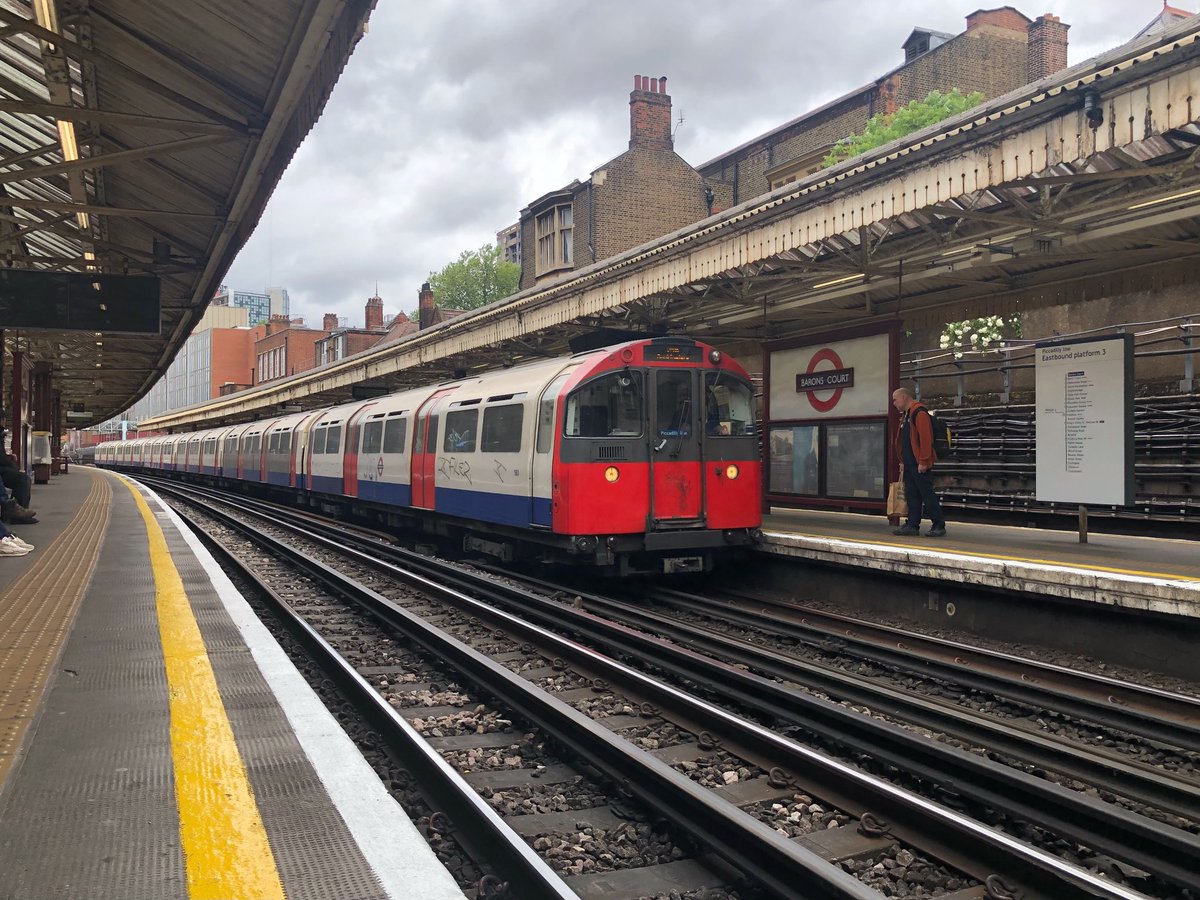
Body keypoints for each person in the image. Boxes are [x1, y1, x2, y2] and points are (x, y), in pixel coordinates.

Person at [891, 386, 946, 537]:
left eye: (895, 400)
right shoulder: (907, 415)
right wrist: (903, 460)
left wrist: (923, 461)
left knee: (926, 494)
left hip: (919, 463)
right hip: (910, 463)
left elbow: (926, 439)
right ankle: (912, 524)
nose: (894, 403)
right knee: (912, 495)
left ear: (904, 397)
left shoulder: (919, 413)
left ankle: (938, 525)